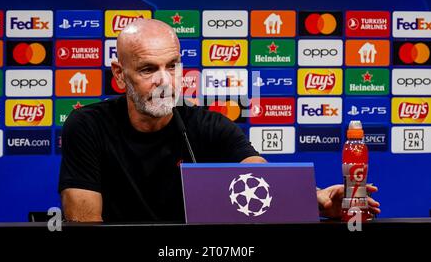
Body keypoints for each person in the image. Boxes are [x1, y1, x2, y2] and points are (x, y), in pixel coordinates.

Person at [58, 19, 380, 222]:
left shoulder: (206, 125)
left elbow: (264, 179)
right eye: (148, 69)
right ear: (119, 74)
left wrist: (320, 200)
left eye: (172, 66)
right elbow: (85, 222)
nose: (165, 80)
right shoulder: (88, 126)